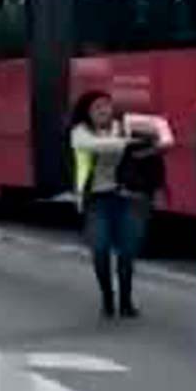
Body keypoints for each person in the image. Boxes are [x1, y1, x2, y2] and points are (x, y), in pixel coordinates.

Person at [71, 90, 172, 320]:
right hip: (96, 199)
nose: (104, 111)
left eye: (107, 105)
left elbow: (159, 123)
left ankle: (125, 300)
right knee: (100, 249)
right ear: (87, 112)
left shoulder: (124, 123)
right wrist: (130, 142)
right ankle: (107, 297)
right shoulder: (80, 133)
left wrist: (164, 140)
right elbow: (97, 146)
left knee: (127, 251)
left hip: (127, 197)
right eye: (97, 108)